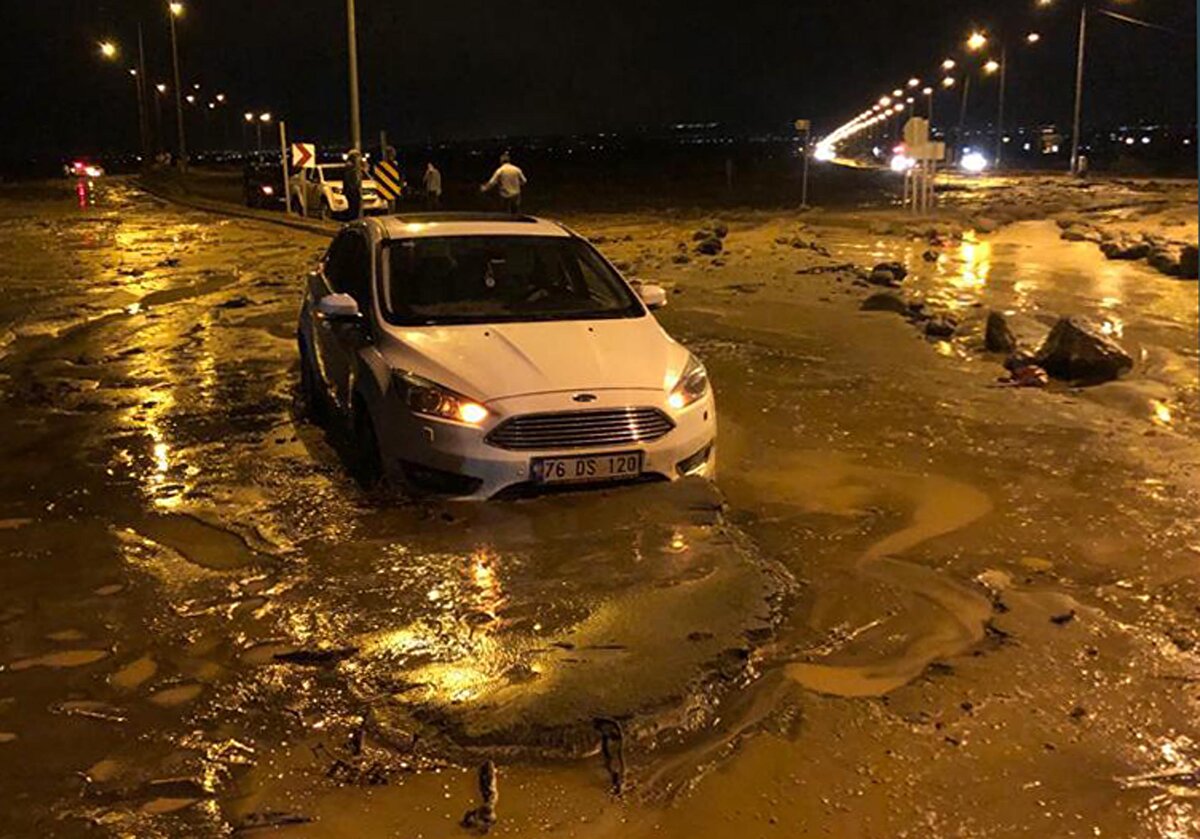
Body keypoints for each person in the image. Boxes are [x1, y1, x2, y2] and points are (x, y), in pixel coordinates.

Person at [343, 149, 363, 220]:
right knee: (353, 210)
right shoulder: (350, 167)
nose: (359, 158)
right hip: (352, 192)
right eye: (358, 156)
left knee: (355, 210)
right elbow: (351, 181)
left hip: (353, 191)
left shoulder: (355, 167)